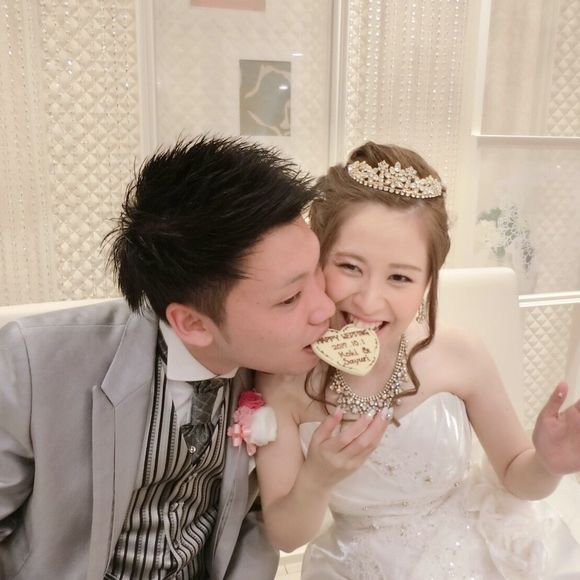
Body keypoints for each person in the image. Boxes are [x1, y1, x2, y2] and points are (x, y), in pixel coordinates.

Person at [0, 136, 336, 580]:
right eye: (290, 298)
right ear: (192, 324)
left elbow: (253, 524)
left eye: (318, 273)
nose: (325, 308)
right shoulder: (34, 362)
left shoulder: (281, 370)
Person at [255, 141, 580, 579]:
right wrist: (317, 478)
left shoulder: (459, 353)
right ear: (317, 259)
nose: (369, 300)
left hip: (477, 553)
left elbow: (515, 474)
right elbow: (286, 536)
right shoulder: (284, 379)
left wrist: (547, 464)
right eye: (349, 267)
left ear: (428, 281)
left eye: (400, 277)